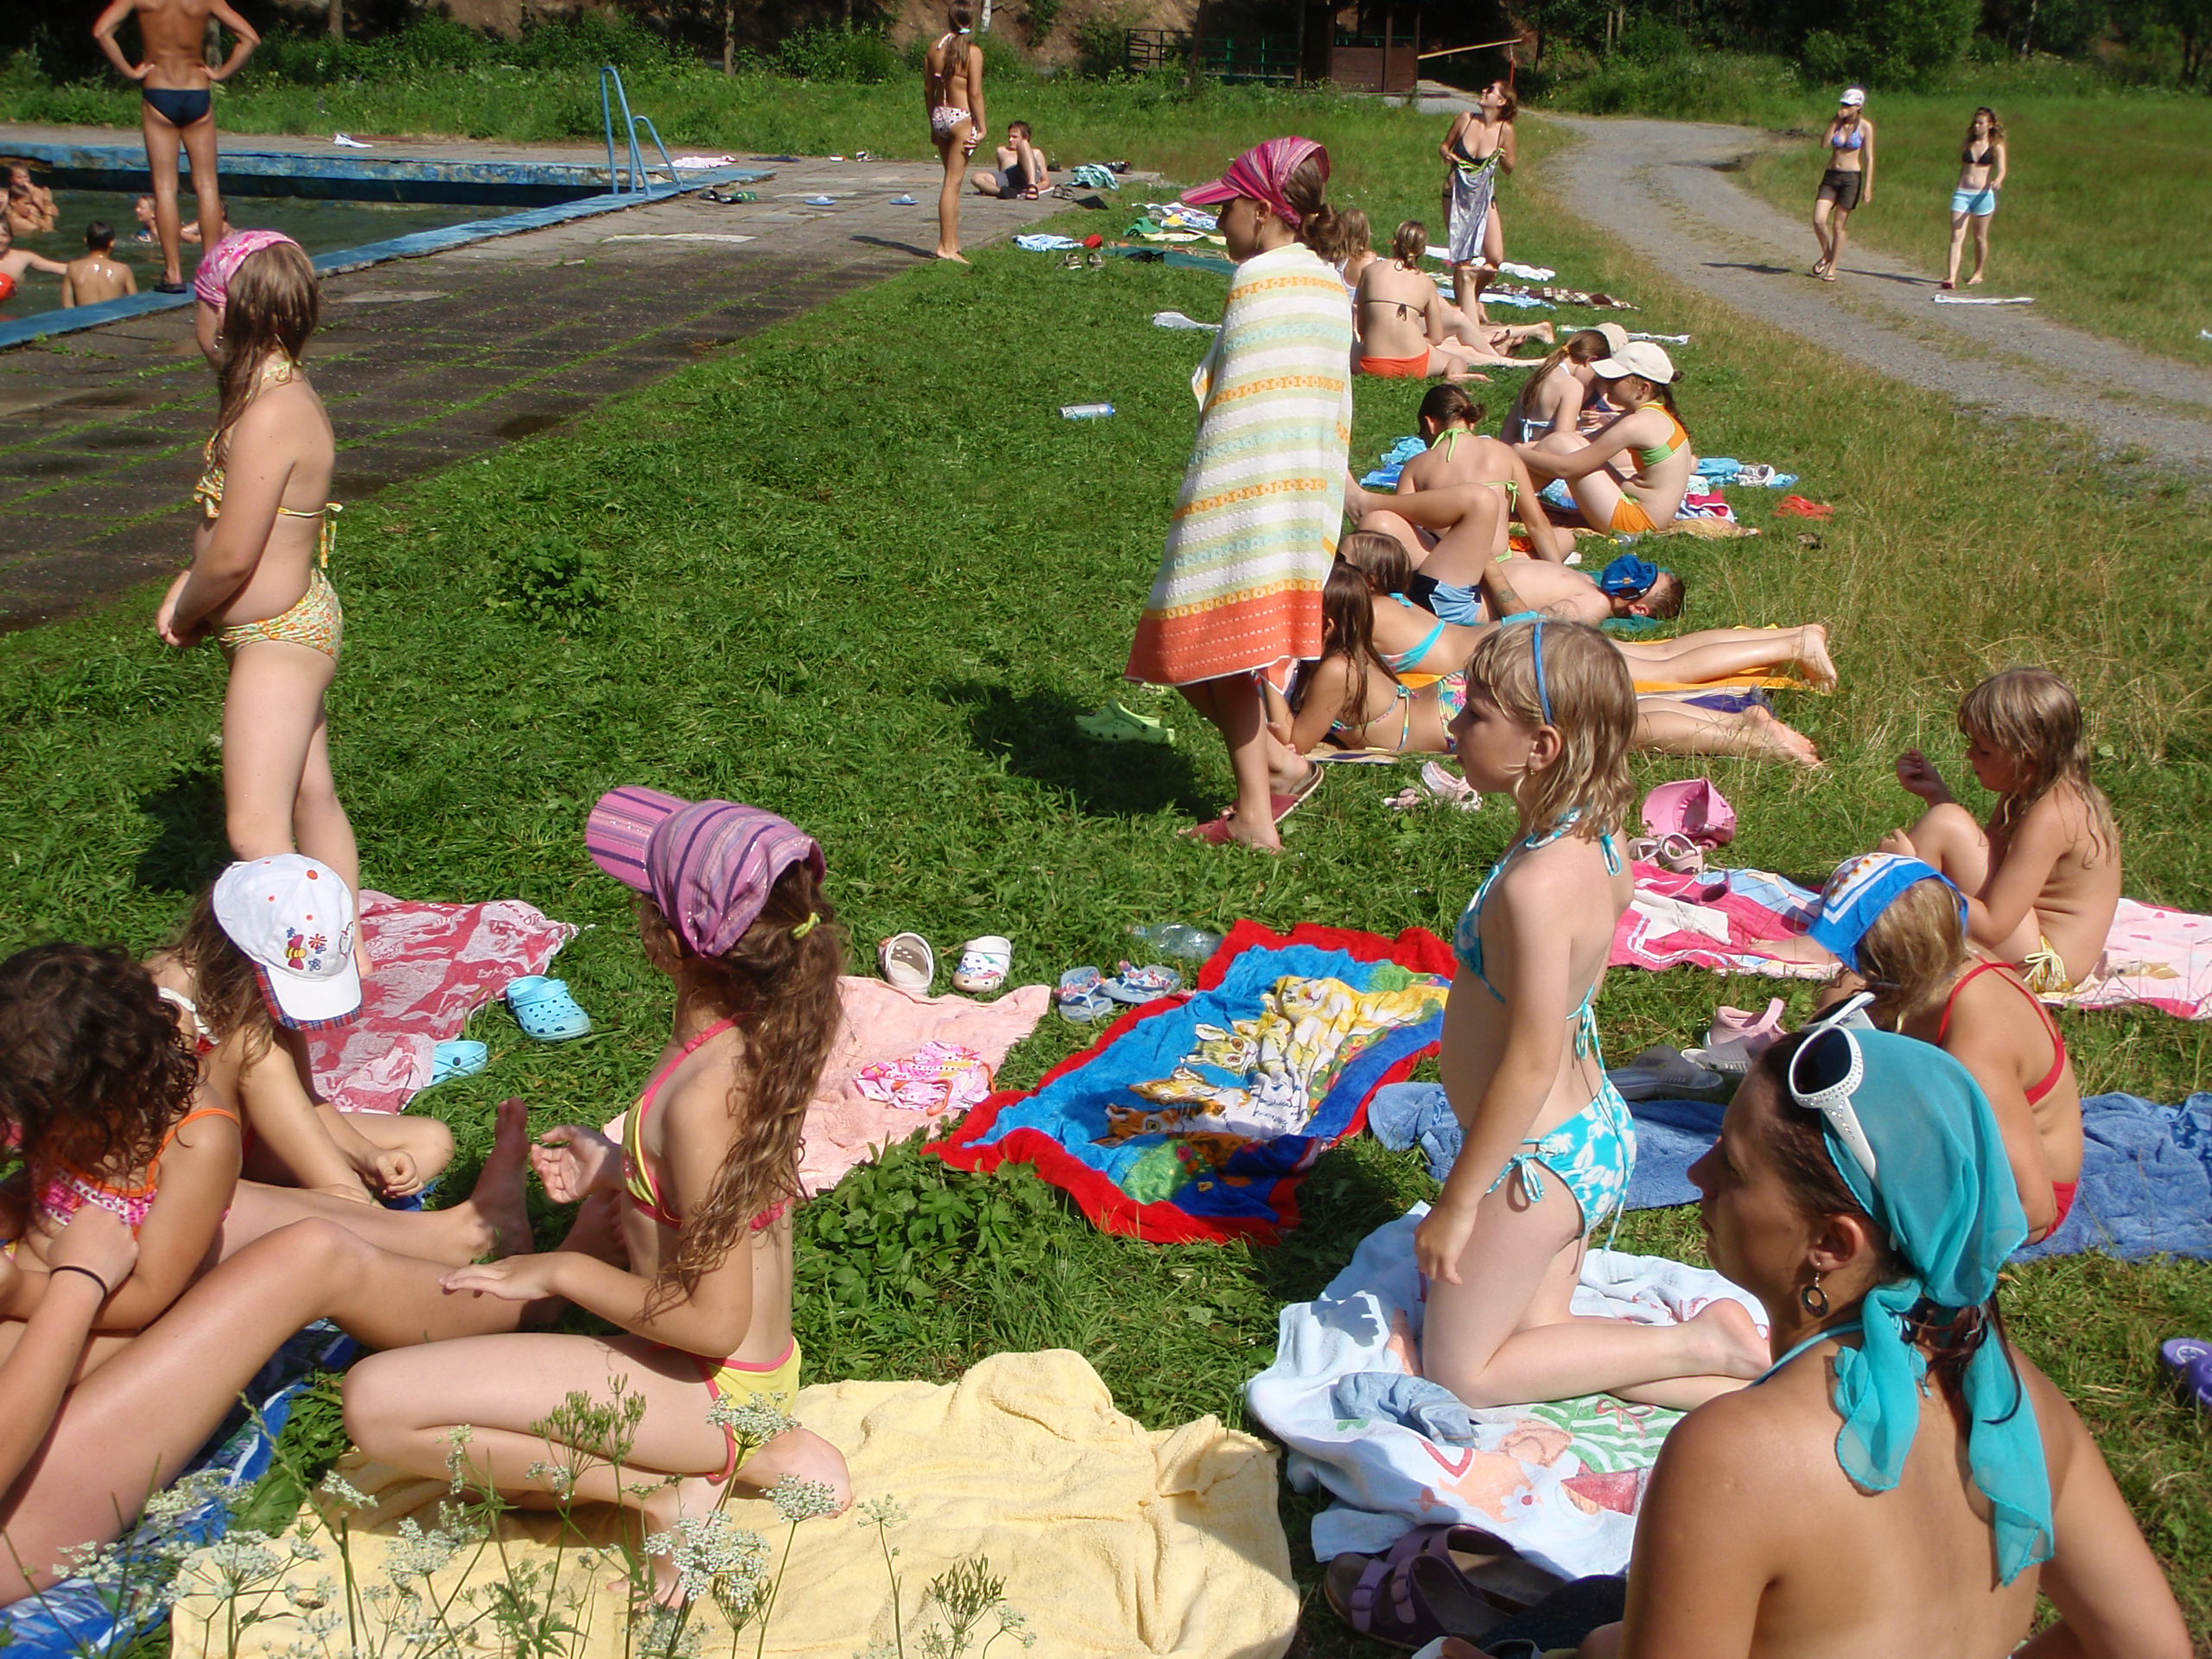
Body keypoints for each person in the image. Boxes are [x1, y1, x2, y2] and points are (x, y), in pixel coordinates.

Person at [342, 789, 853, 1601]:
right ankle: (760, 1450)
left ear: (665, 940)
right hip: (737, 1377)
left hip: (711, 1383)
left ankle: (668, 1488)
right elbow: (717, 1199)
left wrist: (559, 1271)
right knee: (492, 1452)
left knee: (377, 1405)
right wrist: (619, 1169)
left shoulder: (704, 1097)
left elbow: (714, 1321)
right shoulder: (744, 1039)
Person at [1580, 1029, 2190, 1658]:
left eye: (1733, 1167)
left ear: (1832, 1245)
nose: (1697, 1173)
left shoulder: (1734, 1454)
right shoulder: (2013, 1397)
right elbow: (2149, 1646)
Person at [1415, 620, 1770, 1411]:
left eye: (1475, 713)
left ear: (1541, 746)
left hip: (1535, 1163)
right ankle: (1739, 1391)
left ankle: (1701, 1342)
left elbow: (1530, 1060)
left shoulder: (1536, 886)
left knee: (1461, 1373)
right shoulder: (1597, 834)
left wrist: (1458, 1202)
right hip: (1588, 1130)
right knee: (1541, 1345)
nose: (1454, 726)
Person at [1125, 137, 1351, 850]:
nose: (1219, 222)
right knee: (1207, 651)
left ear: (1261, 209)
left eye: (1227, 209)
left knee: (1206, 648)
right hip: (1302, 499)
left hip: (1246, 498)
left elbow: (1229, 403)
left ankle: (1256, 814)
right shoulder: (1328, 284)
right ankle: (1279, 767)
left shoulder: (1259, 281)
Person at [155, 242, 360, 925]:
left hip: (278, 636)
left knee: (254, 831)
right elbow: (238, 531)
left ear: (223, 313)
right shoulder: (273, 392)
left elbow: (235, 558)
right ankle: (348, 948)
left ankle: (302, 961)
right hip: (285, 625)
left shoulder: (270, 412)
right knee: (309, 795)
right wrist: (189, 579)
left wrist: (187, 609)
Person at [1312, 545, 1827, 767]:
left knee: (1637, 698)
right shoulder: (1377, 606)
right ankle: (1789, 642)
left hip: (1513, 652)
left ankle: (1789, 649)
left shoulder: (1352, 632)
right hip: (1512, 643)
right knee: (1659, 662)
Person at [1807, 853, 2082, 1243]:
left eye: (1856, 957)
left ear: (1886, 963)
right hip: (1963, 1144)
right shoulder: (1953, 961)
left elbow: (2034, 1209)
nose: (1849, 966)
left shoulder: (1977, 1043)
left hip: (2014, 1196)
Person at [154, 860, 453, 1205]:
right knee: (256, 1049)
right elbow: (170, 1135)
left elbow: (306, 1098)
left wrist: (369, 1155)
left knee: (432, 1141)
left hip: (251, 1143)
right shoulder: (169, 1002)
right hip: (191, 1156)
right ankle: (353, 1205)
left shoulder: (254, 996)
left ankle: (333, 1202)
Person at [1882, 666, 2120, 993]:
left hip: (2042, 965)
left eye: (1984, 750)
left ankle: (1875, 929)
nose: (1969, 755)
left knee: (1945, 822)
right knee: (1947, 819)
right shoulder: (2028, 787)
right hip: (2026, 939)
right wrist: (1937, 795)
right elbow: (1987, 863)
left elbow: (1993, 927)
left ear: (2028, 756)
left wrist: (1913, 875)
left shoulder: (2052, 814)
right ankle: (1887, 924)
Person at [92, 0, 260, 295]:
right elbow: (250, 38)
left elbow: (102, 31)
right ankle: (212, 270)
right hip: (196, 89)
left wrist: (129, 71)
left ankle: (173, 274)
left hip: (158, 89)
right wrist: (222, 73)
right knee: (207, 185)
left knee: (165, 187)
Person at [1346, 383, 1574, 573]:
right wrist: (1558, 572)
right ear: (1471, 422)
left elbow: (1406, 526)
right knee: (1564, 538)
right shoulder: (1505, 453)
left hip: (1447, 563)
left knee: (1384, 523)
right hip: (1500, 559)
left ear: (1430, 424)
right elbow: (1537, 524)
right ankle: (1521, 568)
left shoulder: (1418, 464)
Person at [1515, 341, 1694, 537]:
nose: (1606, 382)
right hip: (1642, 511)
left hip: (1636, 523)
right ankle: (1509, 497)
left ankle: (1507, 498)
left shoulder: (1636, 424)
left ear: (1643, 388)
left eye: (1615, 378)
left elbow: (1567, 468)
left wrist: (1518, 453)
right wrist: (1530, 446)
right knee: (1561, 441)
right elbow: (1586, 440)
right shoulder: (1650, 414)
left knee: (1559, 444)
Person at [1353, 222, 1492, 382]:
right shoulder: (1427, 283)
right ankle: (1454, 374)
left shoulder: (1370, 271)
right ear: (1421, 250)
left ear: (1395, 242)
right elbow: (1436, 338)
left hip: (1373, 363)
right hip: (1415, 364)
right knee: (1456, 360)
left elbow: (1361, 329)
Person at [1438, 79, 1516, 323]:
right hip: (1455, 194)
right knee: (1462, 259)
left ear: (1501, 101)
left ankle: (1471, 300)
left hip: (1484, 198)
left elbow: (1510, 168)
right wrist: (1447, 155)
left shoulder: (1505, 131)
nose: (1484, 91)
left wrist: (1501, 157)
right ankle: (1464, 314)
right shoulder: (1466, 119)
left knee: (1495, 259)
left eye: (1490, 90)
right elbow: (1444, 146)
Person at [924, 1, 985, 263]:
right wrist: (982, 127)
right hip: (961, 118)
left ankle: (952, 241)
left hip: (940, 114)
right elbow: (975, 93)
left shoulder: (934, 49)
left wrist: (933, 123)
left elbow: (929, 90)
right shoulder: (972, 52)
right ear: (971, 21)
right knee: (952, 184)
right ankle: (944, 246)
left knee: (952, 183)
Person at [1500, 326, 1619, 445]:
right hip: (1543, 453)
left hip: (1519, 448)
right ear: (1590, 361)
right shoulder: (1571, 386)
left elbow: (1507, 435)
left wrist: (1578, 423)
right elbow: (1563, 443)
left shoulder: (1536, 377)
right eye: (1595, 375)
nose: (1591, 382)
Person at [1811, 86, 1874, 283]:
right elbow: (1824, 144)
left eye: (1849, 105)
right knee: (1818, 219)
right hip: (1831, 175)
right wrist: (1834, 121)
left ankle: (1833, 267)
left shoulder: (1865, 127)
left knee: (1839, 225)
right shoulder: (1837, 123)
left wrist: (1868, 186)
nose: (1845, 108)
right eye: (1843, 104)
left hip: (1850, 178)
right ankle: (1827, 253)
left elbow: (1870, 158)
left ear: (1858, 107)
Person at [1943, 106, 2008, 290]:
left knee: (1979, 237)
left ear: (1990, 125)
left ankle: (1978, 272)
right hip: (1962, 193)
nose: (1977, 126)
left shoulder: (1996, 147)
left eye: (1981, 123)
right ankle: (1951, 277)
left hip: (1983, 195)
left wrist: (1998, 180)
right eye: (1975, 123)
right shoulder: (1967, 143)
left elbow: (2002, 169)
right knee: (1957, 235)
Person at [60, 221, 137, 308]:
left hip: (85, 316)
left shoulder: (73, 268)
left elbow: (67, 306)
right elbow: (135, 303)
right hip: (113, 315)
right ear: (112, 243)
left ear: (86, 241)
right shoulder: (123, 269)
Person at [969, 118, 1047, 200]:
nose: (1010, 140)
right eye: (1009, 137)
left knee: (1023, 145)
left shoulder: (1036, 152)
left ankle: (1031, 186)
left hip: (1025, 175)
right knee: (976, 178)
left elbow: (1046, 181)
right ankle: (1002, 192)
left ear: (1026, 137)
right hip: (1008, 176)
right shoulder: (1002, 151)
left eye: (1014, 137)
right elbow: (1001, 172)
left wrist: (1037, 187)